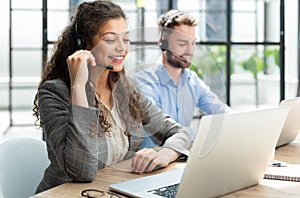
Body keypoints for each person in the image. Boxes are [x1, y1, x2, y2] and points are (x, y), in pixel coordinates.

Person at [32, 1, 190, 193]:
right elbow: (83, 170)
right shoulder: (55, 92)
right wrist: (78, 87)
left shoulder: (124, 88)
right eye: (110, 40)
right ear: (84, 44)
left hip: (111, 190)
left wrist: (166, 153)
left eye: (126, 39)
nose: (121, 48)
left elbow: (179, 132)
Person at [133, 10, 231, 148]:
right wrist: (197, 135)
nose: (190, 51)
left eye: (193, 43)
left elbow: (222, 112)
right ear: (162, 43)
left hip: (179, 159)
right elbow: (162, 129)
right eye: (182, 43)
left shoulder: (193, 80)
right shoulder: (143, 82)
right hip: (150, 163)